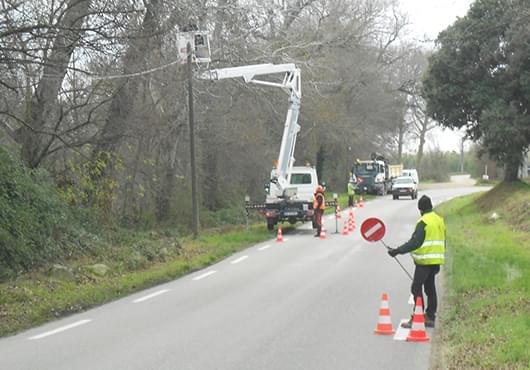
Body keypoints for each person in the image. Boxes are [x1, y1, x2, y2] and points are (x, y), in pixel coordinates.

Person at [387, 195, 446, 328]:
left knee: (416, 287)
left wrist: (397, 251)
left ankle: (418, 317)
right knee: (430, 288)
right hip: (436, 261)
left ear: (420, 209)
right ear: (430, 206)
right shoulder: (439, 220)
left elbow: (415, 243)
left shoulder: (423, 222)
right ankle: (430, 317)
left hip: (424, 262)